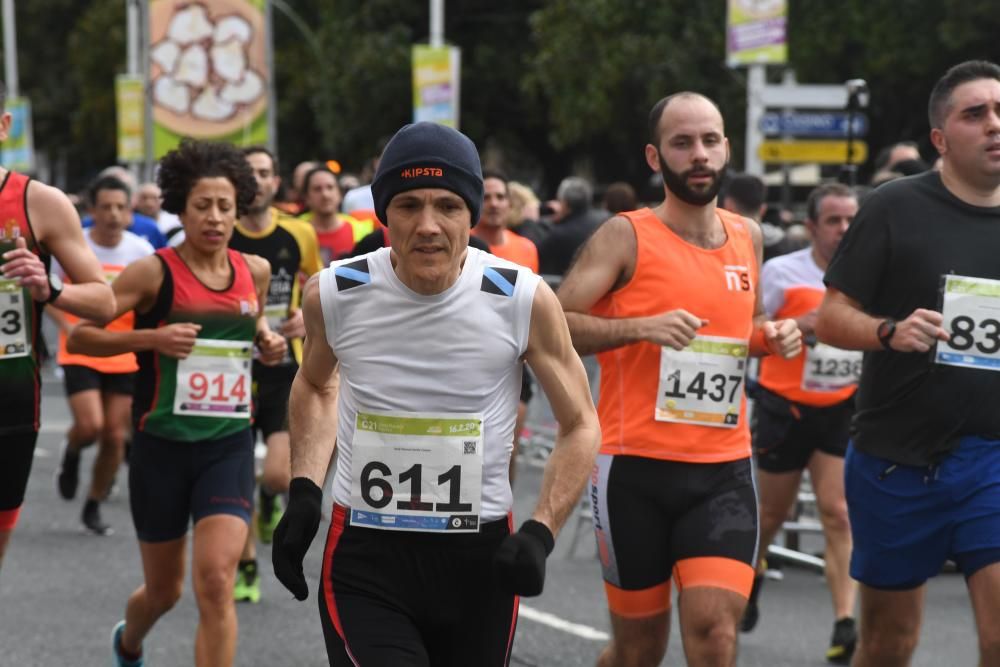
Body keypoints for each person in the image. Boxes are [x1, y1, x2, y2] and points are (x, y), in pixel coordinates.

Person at [269, 121, 601, 666]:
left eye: (448, 205)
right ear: (382, 214)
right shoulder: (336, 292)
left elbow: (581, 423)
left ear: (474, 213)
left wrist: (541, 531)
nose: (428, 226)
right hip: (367, 555)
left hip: (479, 561)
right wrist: (305, 488)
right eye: (408, 205)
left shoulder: (520, 297)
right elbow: (315, 382)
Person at [557, 92, 801, 667]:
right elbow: (556, 325)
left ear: (727, 149)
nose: (699, 155)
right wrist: (640, 326)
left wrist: (773, 336)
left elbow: (742, 326)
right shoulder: (626, 235)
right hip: (633, 471)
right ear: (654, 156)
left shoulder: (750, 236)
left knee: (715, 631)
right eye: (682, 142)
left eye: (710, 141)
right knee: (640, 650)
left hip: (723, 470)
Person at [68, 139, 286, 667]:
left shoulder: (252, 271)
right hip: (162, 447)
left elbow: (247, 321)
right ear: (181, 209)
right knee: (165, 592)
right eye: (202, 206)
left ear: (239, 210)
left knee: (215, 582)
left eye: (225, 207)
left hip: (226, 445)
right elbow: (81, 340)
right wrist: (151, 340)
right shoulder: (153, 272)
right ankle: (130, 642)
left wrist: (267, 339)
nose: (214, 218)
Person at [816, 60, 1000, 667]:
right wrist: (889, 332)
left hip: (991, 458)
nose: (994, 124)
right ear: (941, 139)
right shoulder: (895, 206)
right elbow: (831, 316)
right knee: (891, 645)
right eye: (976, 114)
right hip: (898, 461)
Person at [0, 80, 116, 573]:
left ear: (3, 125)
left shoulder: (37, 202)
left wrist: (51, 290)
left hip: (8, 401)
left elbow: (104, 300)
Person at [743, 183, 860, 663]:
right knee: (771, 516)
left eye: (852, 220)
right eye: (833, 221)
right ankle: (749, 579)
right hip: (783, 406)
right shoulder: (781, 272)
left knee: (838, 512)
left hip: (838, 405)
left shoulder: (869, 273)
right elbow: (752, 326)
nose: (844, 230)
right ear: (811, 226)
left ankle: (844, 621)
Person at [228, 145, 322, 603]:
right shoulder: (221, 232)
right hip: (230, 366)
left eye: (265, 173)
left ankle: (269, 501)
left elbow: (320, 284)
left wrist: (307, 317)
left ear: (276, 181)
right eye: (249, 173)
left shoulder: (298, 233)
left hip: (285, 362)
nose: (258, 181)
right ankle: (246, 566)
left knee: (280, 477)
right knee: (236, 474)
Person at [51, 176, 155, 535]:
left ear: (130, 212)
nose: (113, 214)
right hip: (81, 346)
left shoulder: (141, 251)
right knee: (91, 426)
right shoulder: (75, 246)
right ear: (91, 210)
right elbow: (48, 291)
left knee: (114, 435)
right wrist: (66, 327)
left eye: (120, 207)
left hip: (124, 351)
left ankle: (93, 503)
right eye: (105, 207)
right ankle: (74, 449)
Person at [471, 169, 541, 485]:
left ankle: (503, 519)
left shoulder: (525, 248)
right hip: (471, 357)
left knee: (506, 449)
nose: (495, 204)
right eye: (486, 197)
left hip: (514, 358)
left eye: (501, 197)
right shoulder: (463, 247)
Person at [301, 167, 373, 264]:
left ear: (340, 194)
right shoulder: (295, 231)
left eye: (330, 187)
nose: (325, 194)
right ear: (306, 197)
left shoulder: (362, 230)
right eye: (317, 189)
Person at [537, 176, 605, 277]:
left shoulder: (558, 234)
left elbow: (536, 258)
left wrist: (529, 222)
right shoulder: (605, 220)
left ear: (565, 204)